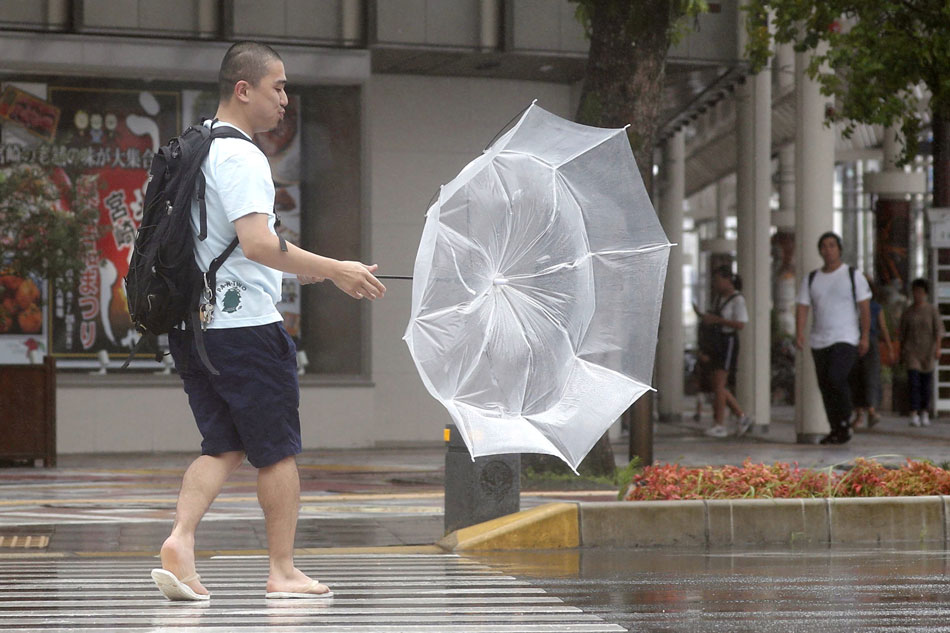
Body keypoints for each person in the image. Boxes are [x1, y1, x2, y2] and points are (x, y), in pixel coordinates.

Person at [150, 42, 386, 602]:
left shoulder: (196, 147)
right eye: (277, 87)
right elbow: (257, 243)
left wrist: (296, 270)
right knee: (276, 450)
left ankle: (180, 542)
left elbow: (232, 245)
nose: (285, 99)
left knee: (222, 444)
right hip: (245, 330)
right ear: (243, 89)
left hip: (193, 325)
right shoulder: (244, 156)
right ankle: (282, 570)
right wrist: (335, 270)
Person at [796, 232, 871, 445]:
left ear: (839, 249)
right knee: (825, 385)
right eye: (824, 246)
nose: (828, 250)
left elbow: (864, 307)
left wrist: (865, 336)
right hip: (819, 339)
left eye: (832, 245)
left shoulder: (852, 275)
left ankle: (846, 419)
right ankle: (835, 428)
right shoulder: (812, 278)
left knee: (836, 377)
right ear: (820, 250)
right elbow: (802, 306)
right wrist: (800, 332)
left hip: (846, 337)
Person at [701, 265, 752, 438]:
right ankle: (740, 416)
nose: (716, 284)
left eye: (718, 280)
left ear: (728, 279)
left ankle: (720, 423)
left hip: (728, 342)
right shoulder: (718, 299)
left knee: (720, 385)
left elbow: (741, 324)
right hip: (717, 343)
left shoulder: (737, 300)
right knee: (718, 385)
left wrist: (718, 320)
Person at [899, 278, 944, 427]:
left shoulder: (932, 310)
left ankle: (924, 411)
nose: (917, 295)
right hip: (912, 350)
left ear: (925, 293)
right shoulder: (908, 311)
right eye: (915, 292)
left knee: (926, 383)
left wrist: (938, 348)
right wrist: (901, 351)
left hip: (927, 351)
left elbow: (938, 331)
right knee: (914, 381)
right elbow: (902, 333)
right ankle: (914, 412)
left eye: (920, 292)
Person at [849, 275, 892, 429]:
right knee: (856, 377)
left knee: (871, 375)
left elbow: (883, 328)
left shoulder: (875, 307)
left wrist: (889, 347)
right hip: (853, 341)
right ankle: (860, 413)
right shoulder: (852, 306)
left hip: (871, 343)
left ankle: (871, 410)